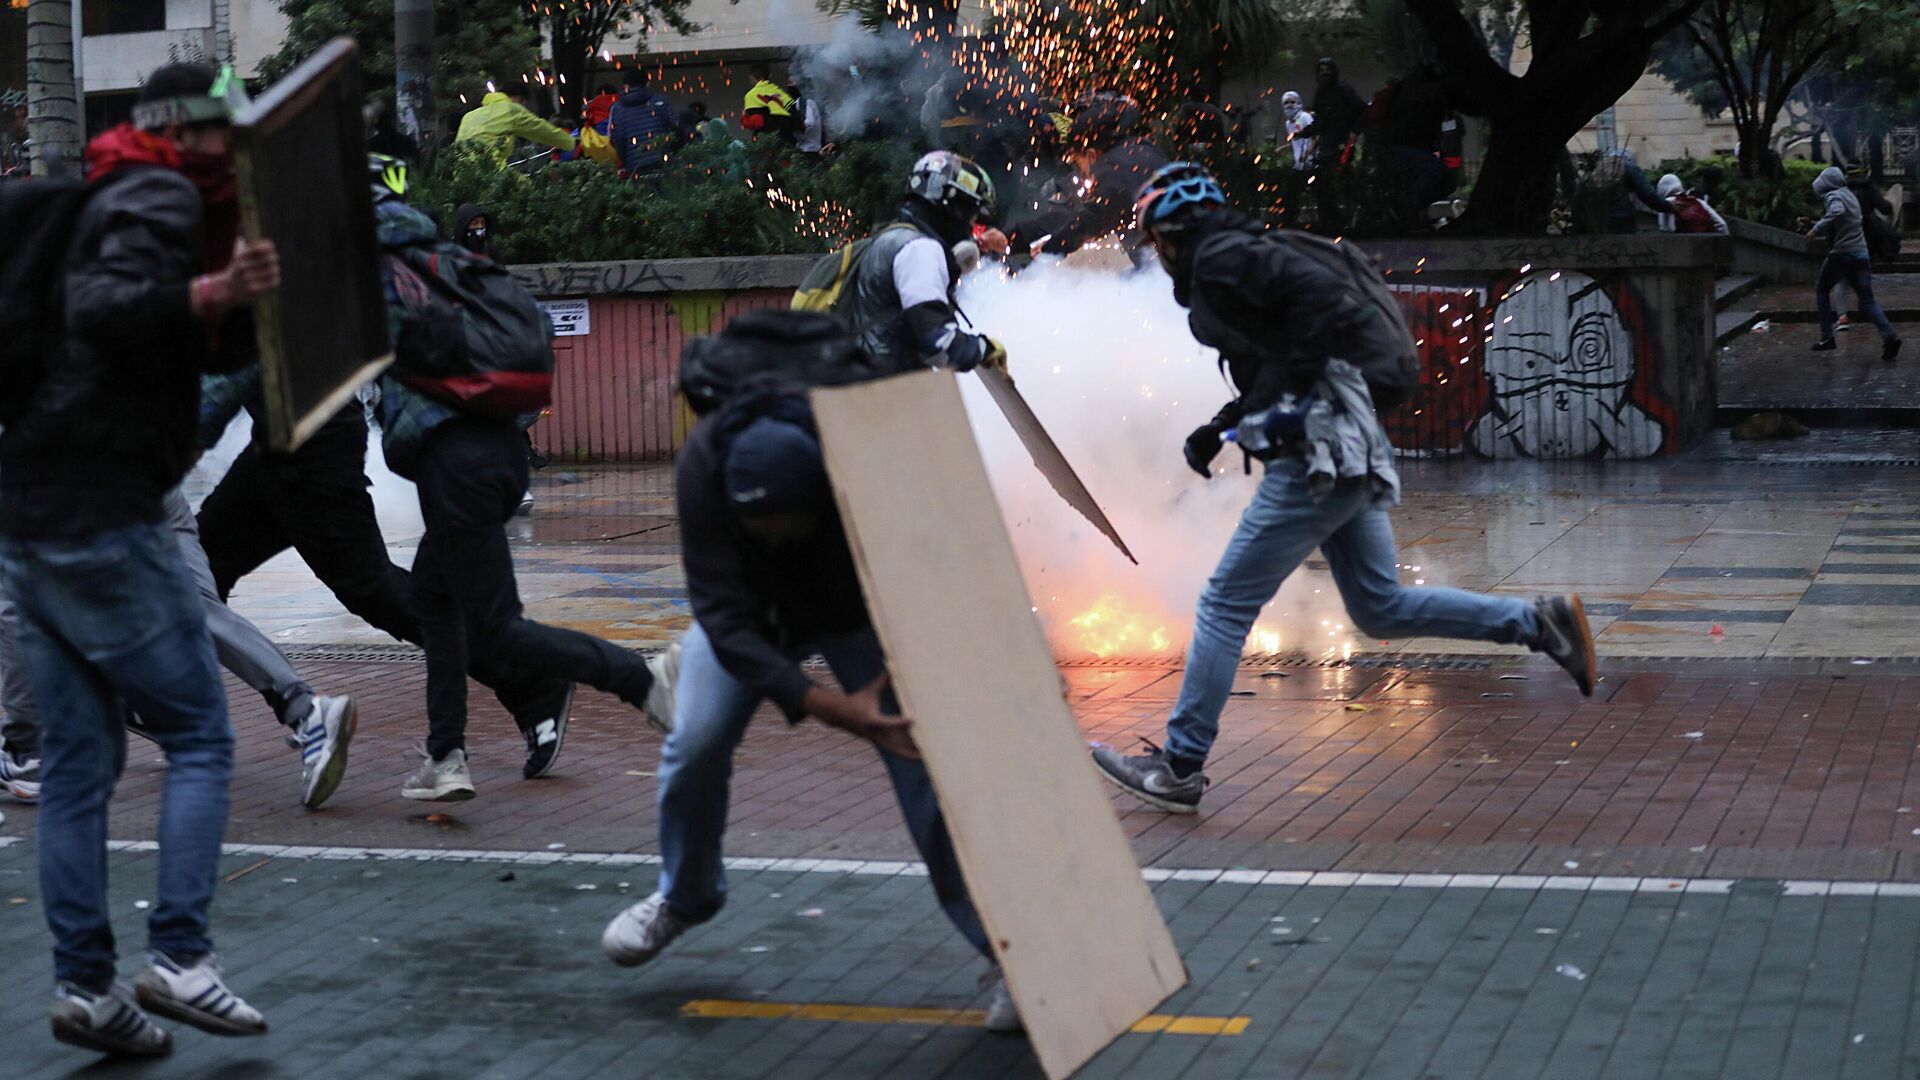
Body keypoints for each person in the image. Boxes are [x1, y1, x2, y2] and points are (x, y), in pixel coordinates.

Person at [1088, 163, 1599, 815]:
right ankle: (1540, 625)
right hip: (1347, 440)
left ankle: (1181, 767)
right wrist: (1224, 426)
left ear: (1172, 230)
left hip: (1318, 454)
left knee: (1223, 605)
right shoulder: (1242, 254)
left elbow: (1314, 324)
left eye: (1154, 238)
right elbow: (1286, 354)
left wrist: (1284, 406)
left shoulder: (1218, 258)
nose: (1154, 254)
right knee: (1379, 607)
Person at [599, 375, 1020, 1033]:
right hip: (750, 615)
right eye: (756, 526)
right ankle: (687, 896)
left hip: (853, 608)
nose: (770, 537)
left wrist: (1017, 652)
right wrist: (825, 706)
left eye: (783, 524)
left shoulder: (867, 466)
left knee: (924, 767)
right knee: (696, 739)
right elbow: (722, 620)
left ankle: (1006, 955)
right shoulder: (705, 469)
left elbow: (954, 558)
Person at [1, 61, 274, 1057]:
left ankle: (85, 990)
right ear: (199, 131)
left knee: (79, 765)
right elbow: (112, 307)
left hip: (30, 510)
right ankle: (181, 959)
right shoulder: (157, 192)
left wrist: (220, 299)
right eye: (233, 136)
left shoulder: (110, 191)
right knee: (200, 732)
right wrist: (214, 285)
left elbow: (149, 337)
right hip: (102, 510)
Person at [195, 156, 578, 786]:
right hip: (278, 449)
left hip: (314, 452)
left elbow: (235, 369)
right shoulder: (252, 239)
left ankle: (532, 681)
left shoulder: (266, 248)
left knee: (384, 596)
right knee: (199, 573)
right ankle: (177, 708)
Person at [371, 196, 670, 802]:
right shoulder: (454, 266)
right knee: (434, 596)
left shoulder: (381, 281)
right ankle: (445, 754)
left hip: (456, 467)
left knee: (499, 628)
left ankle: (644, 680)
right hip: (502, 451)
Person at [840, 150, 1007, 376]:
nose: (970, 225)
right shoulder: (921, 250)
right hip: (892, 390)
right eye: (971, 216)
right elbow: (939, 341)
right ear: (953, 206)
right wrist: (984, 350)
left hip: (871, 381)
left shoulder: (895, 238)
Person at [1046, 91, 1169, 259]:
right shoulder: (1145, 147)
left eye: (1077, 160)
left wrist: (1048, 250)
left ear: (1090, 155)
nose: (1078, 170)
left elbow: (1093, 220)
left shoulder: (1111, 171)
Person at [1809, 165, 1902, 361]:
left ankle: (1827, 338)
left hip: (1842, 254)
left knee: (1822, 289)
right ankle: (1889, 336)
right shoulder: (1850, 195)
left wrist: (1815, 229)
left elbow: (1836, 211)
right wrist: (1811, 224)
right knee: (1867, 300)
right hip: (1861, 254)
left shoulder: (1832, 196)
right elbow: (1844, 220)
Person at [454, 84, 576, 166]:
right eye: (522, 102)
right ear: (516, 97)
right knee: (525, 188)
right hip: (491, 171)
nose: (523, 106)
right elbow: (541, 130)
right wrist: (571, 143)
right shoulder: (510, 109)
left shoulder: (469, 115)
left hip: (462, 174)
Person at [608, 72, 678, 177]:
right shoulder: (660, 101)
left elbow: (616, 139)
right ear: (647, 83)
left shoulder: (617, 108)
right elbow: (675, 127)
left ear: (626, 85)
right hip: (662, 159)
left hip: (635, 163)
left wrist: (625, 161)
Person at [1300, 58, 1365, 167]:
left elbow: (1363, 110)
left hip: (1343, 142)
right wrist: (1303, 133)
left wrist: (1355, 132)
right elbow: (1319, 121)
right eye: (1321, 70)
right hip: (1326, 146)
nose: (1324, 73)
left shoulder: (1343, 89)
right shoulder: (1320, 94)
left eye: (1328, 70)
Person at [1655, 174, 1727, 234]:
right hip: (1705, 244)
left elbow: (1666, 230)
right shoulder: (1698, 201)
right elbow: (1722, 224)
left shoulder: (1667, 203)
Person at [741, 61, 795, 138]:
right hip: (786, 137)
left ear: (752, 76)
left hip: (767, 139)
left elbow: (757, 122)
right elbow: (794, 114)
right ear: (769, 76)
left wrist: (744, 118)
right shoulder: (779, 92)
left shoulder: (751, 95)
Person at [1279, 90, 1314, 167]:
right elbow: (1294, 143)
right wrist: (1281, 149)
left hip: (1310, 161)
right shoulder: (1288, 123)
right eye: (1286, 102)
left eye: (1292, 102)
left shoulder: (1305, 117)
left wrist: (1308, 153)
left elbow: (1316, 136)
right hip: (1299, 163)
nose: (1289, 105)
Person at [791, 84, 826, 155]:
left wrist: (795, 125)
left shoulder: (803, 102)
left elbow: (809, 123)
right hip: (808, 149)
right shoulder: (799, 104)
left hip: (811, 149)